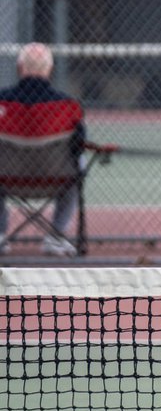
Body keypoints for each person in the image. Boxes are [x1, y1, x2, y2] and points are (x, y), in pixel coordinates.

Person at [0, 43, 86, 256]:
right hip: (56, 179)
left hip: (6, 179)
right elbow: (78, 145)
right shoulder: (68, 106)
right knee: (79, 166)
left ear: (19, 68)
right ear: (50, 70)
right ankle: (56, 236)